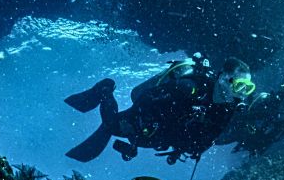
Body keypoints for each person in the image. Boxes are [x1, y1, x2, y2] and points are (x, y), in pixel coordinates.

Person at [64, 55, 257, 164]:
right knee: (111, 126)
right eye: (239, 86)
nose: (241, 94)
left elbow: (208, 137)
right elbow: (147, 97)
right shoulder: (189, 88)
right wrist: (140, 123)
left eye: (247, 89)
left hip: (162, 137)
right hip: (143, 123)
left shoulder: (226, 109)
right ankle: (106, 90)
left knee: (116, 130)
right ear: (223, 78)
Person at [215, 87, 284, 155]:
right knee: (219, 139)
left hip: (247, 136)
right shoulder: (265, 108)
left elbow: (272, 139)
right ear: (282, 105)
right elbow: (246, 116)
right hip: (239, 128)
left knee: (220, 140)